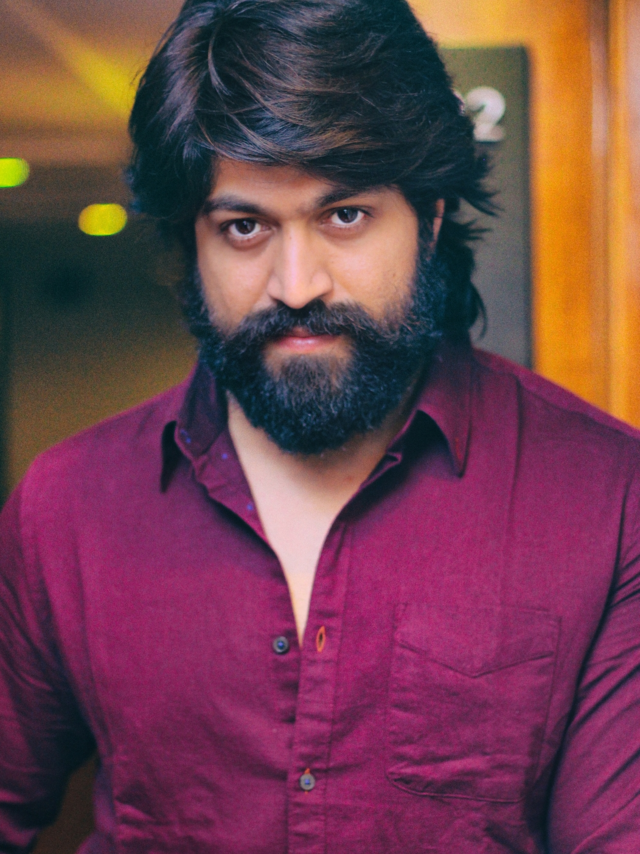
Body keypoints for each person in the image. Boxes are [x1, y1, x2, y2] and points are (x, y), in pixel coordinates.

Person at [1, 0, 639, 850]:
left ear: (430, 217)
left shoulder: (607, 497)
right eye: (245, 227)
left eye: (344, 216)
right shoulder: (67, 506)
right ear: (191, 244)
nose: (296, 284)